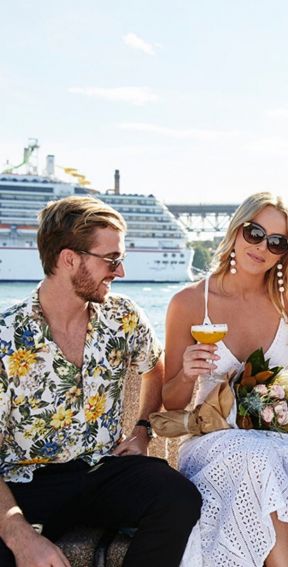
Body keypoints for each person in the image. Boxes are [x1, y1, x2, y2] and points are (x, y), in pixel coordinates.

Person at [0, 196, 201, 567]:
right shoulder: (6, 337)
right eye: (111, 260)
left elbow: (152, 364)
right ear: (69, 259)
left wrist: (142, 429)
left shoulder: (122, 316)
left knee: (178, 497)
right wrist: (20, 536)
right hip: (26, 484)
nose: (120, 271)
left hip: (101, 470)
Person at [162, 192, 288, 567]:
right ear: (236, 230)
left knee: (263, 459)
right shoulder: (189, 303)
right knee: (255, 460)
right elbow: (172, 401)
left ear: (286, 252)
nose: (262, 246)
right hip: (212, 444)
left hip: (282, 445)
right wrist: (187, 370)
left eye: (277, 242)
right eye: (255, 233)